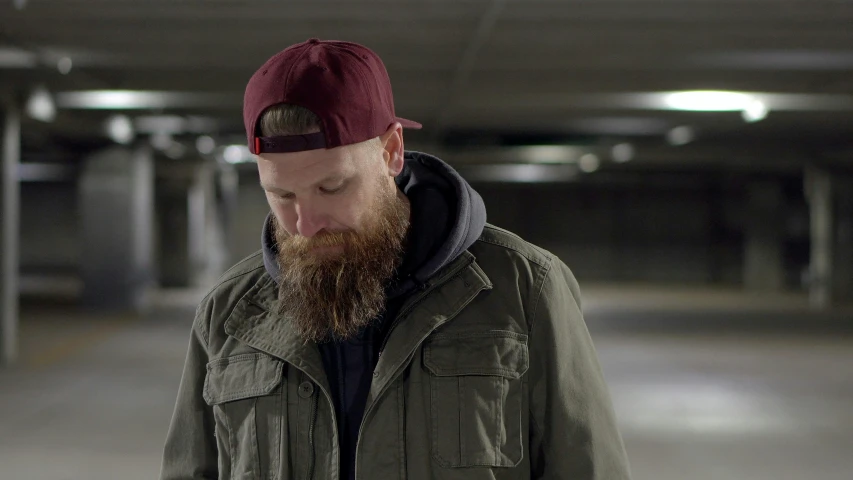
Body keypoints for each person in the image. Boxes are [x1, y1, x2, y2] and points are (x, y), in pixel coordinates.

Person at [160, 38, 631, 480]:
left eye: (332, 187)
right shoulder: (229, 313)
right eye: (281, 194)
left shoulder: (525, 289)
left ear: (391, 151)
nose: (305, 224)